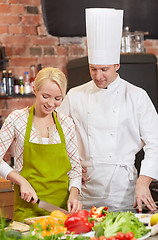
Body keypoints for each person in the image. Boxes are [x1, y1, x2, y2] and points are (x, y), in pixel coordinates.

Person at [59, 8, 158, 212]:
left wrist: (143, 182)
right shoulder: (75, 95)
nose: (98, 76)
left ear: (117, 65)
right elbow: (56, 135)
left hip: (123, 191)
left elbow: (156, 142)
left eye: (104, 69)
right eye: (93, 69)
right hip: (83, 193)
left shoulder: (136, 96)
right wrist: (69, 164)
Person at [0, 67, 82, 222]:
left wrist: (74, 194)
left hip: (60, 211)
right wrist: (20, 181)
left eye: (58, 98)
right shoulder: (17, 119)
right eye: (46, 96)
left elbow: (75, 168)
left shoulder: (66, 123)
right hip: (27, 210)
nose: (51, 103)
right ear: (34, 90)